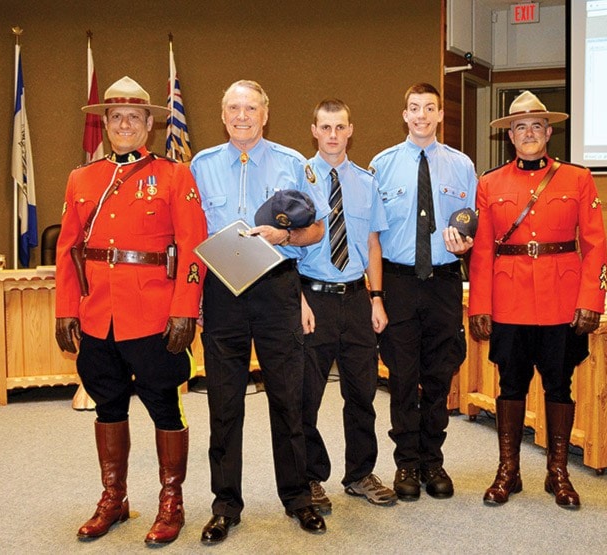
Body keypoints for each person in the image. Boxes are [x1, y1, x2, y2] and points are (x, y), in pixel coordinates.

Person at [55, 76, 208, 544]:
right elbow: (68, 248)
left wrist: (185, 307)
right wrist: (66, 309)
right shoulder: (82, 178)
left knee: (164, 403)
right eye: (116, 117)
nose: (124, 124)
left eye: (134, 118)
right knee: (107, 404)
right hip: (99, 312)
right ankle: (113, 498)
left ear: (149, 126)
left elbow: (193, 246)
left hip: (154, 313)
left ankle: (171, 500)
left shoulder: (173, 175)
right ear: (105, 124)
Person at [190, 79, 329, 542]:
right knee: (224, 402)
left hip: (275, 288)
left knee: (288, 398)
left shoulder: (293, 162)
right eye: (234, 107)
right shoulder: (201, 165)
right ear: (223, 114)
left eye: (251, 107)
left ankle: (297, 498)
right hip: (223, 290)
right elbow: (190, 234)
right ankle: (225, 505)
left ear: (265, 113)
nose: (242, 115)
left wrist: (285, 236)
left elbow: (317, 231)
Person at [468, 90, 607, 509]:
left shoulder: (577, 178)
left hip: (562, 298)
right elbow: (481, 250)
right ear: (509, 136)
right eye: (519, 127)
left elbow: (596, 244)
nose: (528, 133)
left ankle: (558, 472)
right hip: (509, 298)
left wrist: (591, 300)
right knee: (510, 384)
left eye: (536, 126)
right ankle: (508, 471)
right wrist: (480, 306)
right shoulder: (489, 183)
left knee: (558, 383)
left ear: (549, 132)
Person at [368, 83, 476, 501]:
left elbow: (470, 222)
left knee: (437, 374)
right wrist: (375, 294)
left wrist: (465, 243)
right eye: (414, 108)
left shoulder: (462, 165)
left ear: (439, 115)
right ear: (405, 113)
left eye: (429, 108)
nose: (421, 116)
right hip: (397, 281)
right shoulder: (382, 165)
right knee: (402, 376)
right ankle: (406, 464)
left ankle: (433, 460)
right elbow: (373, 235)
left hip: (444, 282)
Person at [298, 99, 396, 513]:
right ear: (315, 130)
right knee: (307, 396)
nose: (334, 134)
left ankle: (359, 474)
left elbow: (373, 244)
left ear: (350, 130)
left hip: (356, 299)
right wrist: (297, 300)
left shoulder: (366, 181)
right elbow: (285, 249)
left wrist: (376, 298)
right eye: (326, 127)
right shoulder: (298, 179)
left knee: (363, 393)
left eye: (340, 127)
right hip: (312, 299)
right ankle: (309, 476)